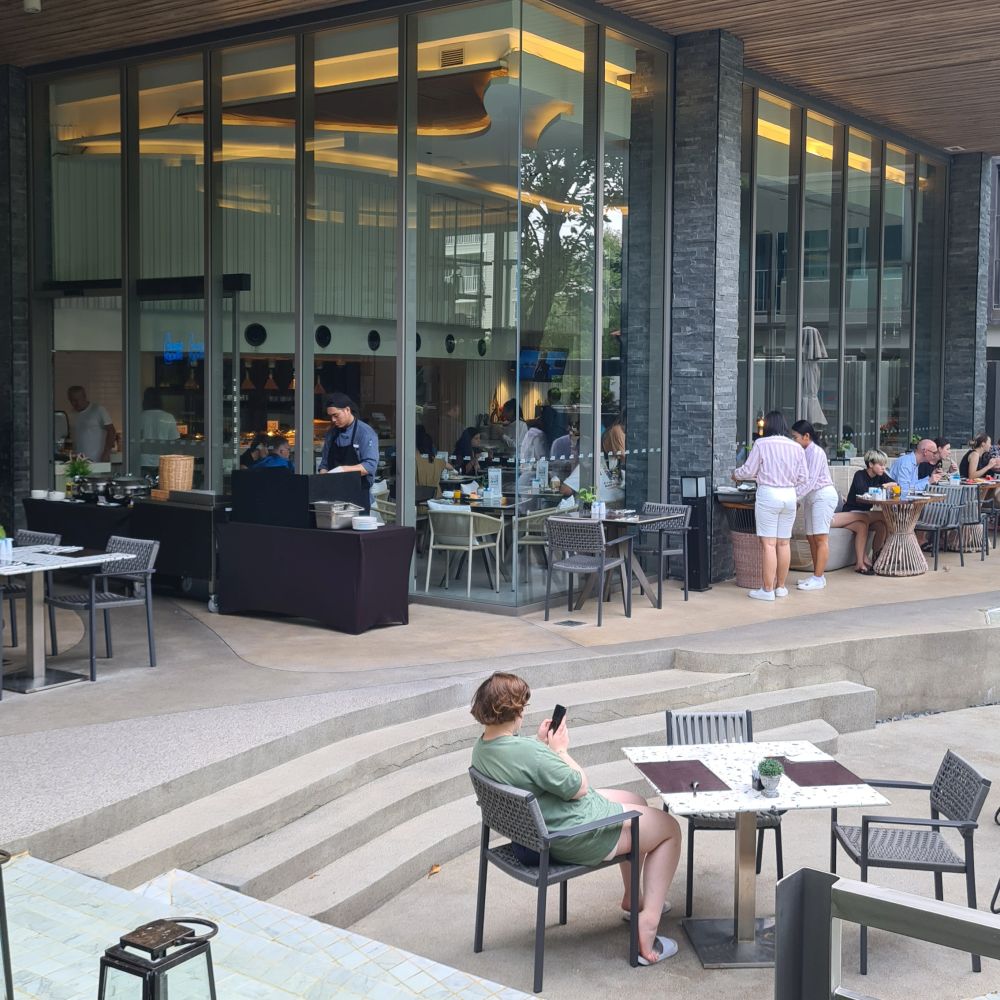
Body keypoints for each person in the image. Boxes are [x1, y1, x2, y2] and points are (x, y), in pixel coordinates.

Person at [469, 672, 682, 966]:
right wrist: (560, 751)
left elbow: (523, 764)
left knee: (638, 801)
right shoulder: (529, 753)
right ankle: (648, 922)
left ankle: (633, 898)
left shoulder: (482, 749)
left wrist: (541, 744)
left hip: (532, 835)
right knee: (669, 828)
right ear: (515, 711)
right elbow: (579, 786)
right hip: (571, 836)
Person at [732, 410, 808, 602]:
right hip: (789, 495)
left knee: (768, 544)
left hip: (768, 495)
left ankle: (767, 589)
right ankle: (780, 587)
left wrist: (736, 474)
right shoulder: (796, 447)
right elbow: (804, 478)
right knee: (784, 543)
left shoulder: (761, 443)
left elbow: (748, 470)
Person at [790, 420, 840, 591]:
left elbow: (810, 481)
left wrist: (793, 498)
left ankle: (819, 577)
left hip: (822, 496)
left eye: (795, 437)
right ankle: (816, 576)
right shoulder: (802, 452)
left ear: (806, 436)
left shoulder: (816, 452)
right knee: (811, 537)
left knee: (820, 538)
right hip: (811, 497)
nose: (793, 440)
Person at [837, 448, 895, 574]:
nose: (883, 468)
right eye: (880, 465)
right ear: (870, 464)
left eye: (884, 465)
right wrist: (883, 487)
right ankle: (878, 556)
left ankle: (876, 557)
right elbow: (863, 491)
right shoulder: (860, 475)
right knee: (883, 516)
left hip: (864, 514)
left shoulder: (880, 475)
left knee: (880, 526)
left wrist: (888, 485)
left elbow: (894, 484)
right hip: (851, 512)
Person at [318, 392, 379, 485]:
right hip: (333, 491)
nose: (333, 420)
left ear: (347, 410)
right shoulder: (331, 433)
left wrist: (342, 470)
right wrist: (323, 479)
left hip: (358, 492)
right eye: (331, 416)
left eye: (336, 415)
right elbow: (324, 464)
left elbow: (370, 466)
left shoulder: (365, 433)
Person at [67, 385, 116, 462]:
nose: (75, 403)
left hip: (97, 459)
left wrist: (106, 453)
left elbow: (111, 431)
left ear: (84, 397)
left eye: (77, 400)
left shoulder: (98, 410)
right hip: (79, 461)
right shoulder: (71, 414)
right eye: (72, 401)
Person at [138, 387, 179, 470]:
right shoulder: (169, 417)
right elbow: (174, 441)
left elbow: (135, 439)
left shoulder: (140, 417)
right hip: (163, 460)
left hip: (143, 460)